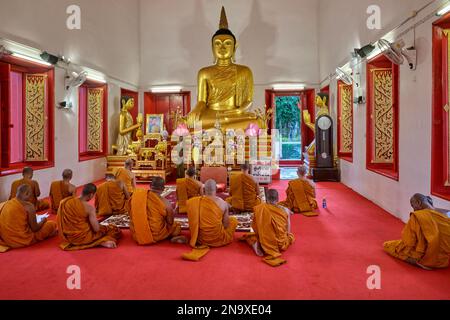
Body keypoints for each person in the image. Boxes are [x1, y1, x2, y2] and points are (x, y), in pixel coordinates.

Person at [186, 6, 264, 130]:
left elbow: (248, 101)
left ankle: (217, 130)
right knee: (188, 123)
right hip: (210, 114)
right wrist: (195, 110)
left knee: (257, 122)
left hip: (233, 114)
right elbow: (201, 101)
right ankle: (222, 129)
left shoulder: (244, 71)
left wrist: (236, 112)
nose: (222, 47)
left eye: (227, 43)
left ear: (234, 47)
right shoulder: (204, 73)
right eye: (218, 43)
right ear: (212, 47)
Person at [384, 193, 450, 270]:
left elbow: (409, 241)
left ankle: (416, 261)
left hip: (428, 256)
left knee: (389, 246)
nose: (414, 209)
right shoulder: (447, 212)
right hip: (445, 258)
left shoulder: (417, 216)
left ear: (419, 203)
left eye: (413, 206)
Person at [183, 179, 238, 261]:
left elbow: (192, 221)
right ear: (216, 189)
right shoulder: (223, 203)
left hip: (200, 239)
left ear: (204, 190)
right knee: (233, 220)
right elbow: (226, 225)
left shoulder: (194, 202)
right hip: (218, 239)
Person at [57, 184, 121, 250]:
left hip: (68, 237)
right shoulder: (89, 208)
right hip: (82, 237)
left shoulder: (65, 202)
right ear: (91, 195)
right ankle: (100, 242)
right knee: (113, 230)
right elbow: (96, 229)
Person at [241, 189, 294, 267]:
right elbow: (288, 230)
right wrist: (287, 236)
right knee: (291, 237)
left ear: (266, 198)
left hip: (264, 242)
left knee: (251, 236)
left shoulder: (259, 208)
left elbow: (254, 227)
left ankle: (257, 244)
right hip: (281, 244)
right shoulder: (285, 210)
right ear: (278, 199)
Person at [129, 177, 186, 245]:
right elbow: (170, 222)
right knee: (176, 226)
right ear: (163, 189)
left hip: (138, 234)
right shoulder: (166, 202)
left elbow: (130, 213)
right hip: (156, 235)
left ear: (150, 186)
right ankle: (172, 236)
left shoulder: (135, 197)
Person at [0, 184, 57, 252]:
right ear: (27, 193)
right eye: (31, 193)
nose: (31, 196)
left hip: (6, 239)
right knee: (51, 224)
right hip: (23, 239)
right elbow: (35, 228)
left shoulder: (6, 203)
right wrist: (43, 220)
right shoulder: (29, 206)